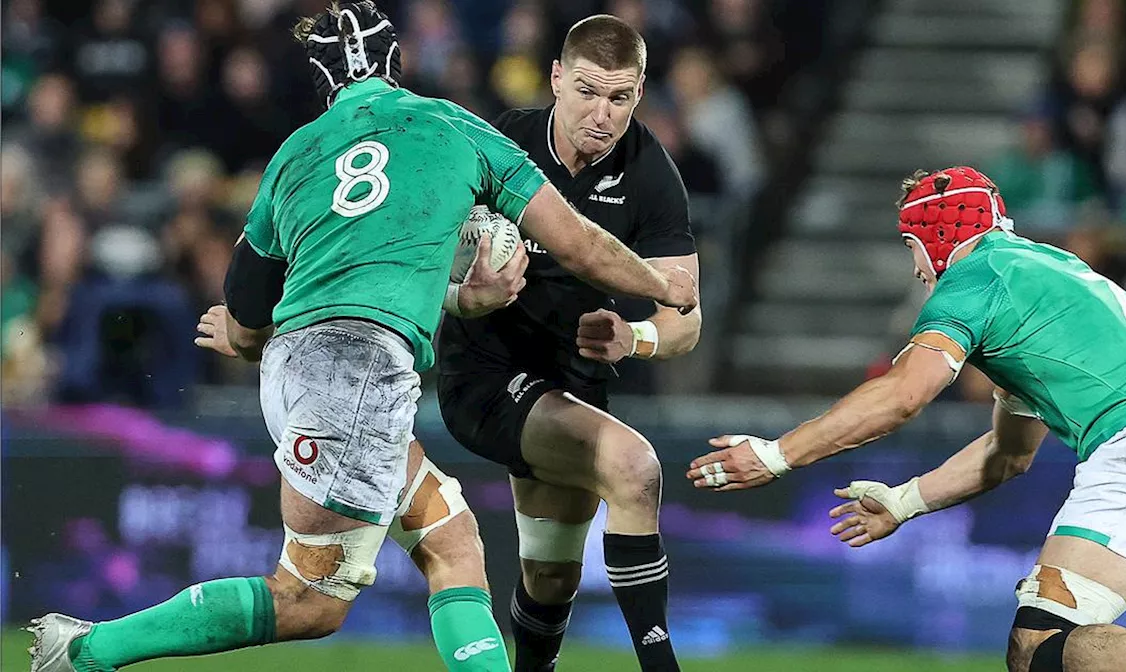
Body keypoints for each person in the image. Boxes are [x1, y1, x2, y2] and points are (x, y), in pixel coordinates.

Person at [26, 3, 696, 671]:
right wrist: (663, 287)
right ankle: (89, 650)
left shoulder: (298, 151)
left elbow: (249, 308)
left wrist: (460, 298)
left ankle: (88, 649)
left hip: (293, 369)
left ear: (321, 82)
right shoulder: (451, 125)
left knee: (451, 537)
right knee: (308, 602)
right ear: (396, 63)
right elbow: (579, 245)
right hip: (360, 372)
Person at [685, 167, 1126, 672]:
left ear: (936, 236)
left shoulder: (974, 280)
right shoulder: (1044, 269)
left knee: (1039, 645)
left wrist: (777, 453)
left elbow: (902, 396)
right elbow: (1008, 453)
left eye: (910, 246)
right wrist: (904, 502)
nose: (915, 269)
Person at [436, 15, 700, 672]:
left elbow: (685, 315)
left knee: (552, 577)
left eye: (620, 97)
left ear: (640, 94)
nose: (602, 113)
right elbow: (420, 259)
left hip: (573, 384)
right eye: (586, 91)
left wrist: (635, 336)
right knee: (635, 470)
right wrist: (469, 295)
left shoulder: (651, 176)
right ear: (555, 78)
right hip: (485, 375)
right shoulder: (503, 142)